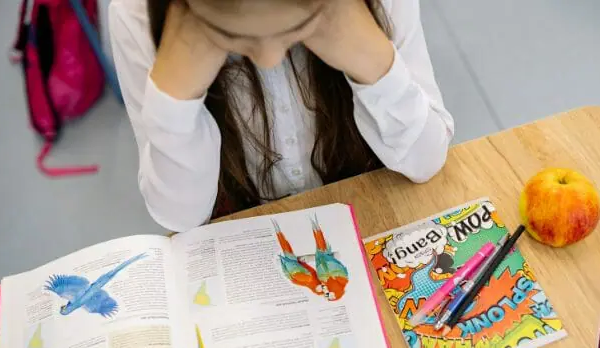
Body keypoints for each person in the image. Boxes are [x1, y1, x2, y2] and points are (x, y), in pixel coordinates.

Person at [109, 0, 454, 232]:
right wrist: (176, 93)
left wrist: (370, 58)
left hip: (371, 216)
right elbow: (179, 215)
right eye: (232, 37)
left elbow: (426, 159)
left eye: (299, 28)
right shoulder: (134, 13)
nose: (269, 58)